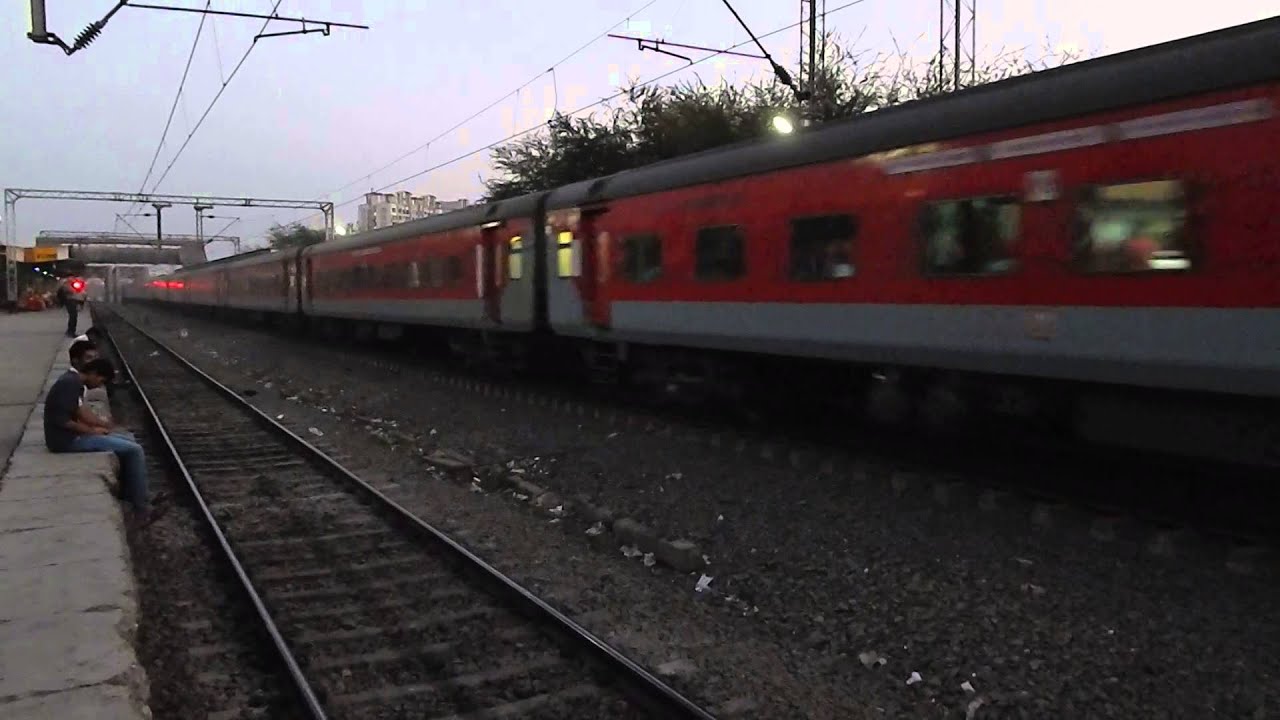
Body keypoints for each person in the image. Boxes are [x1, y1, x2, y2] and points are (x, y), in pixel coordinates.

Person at [43, 356, 166, 529]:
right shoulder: (69, 384)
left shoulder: (73, 382)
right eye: (101, 380)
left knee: (128, 438)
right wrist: (93, 431)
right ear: (93, 373)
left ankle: (135, 494)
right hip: (66, 441)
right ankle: (141, 511)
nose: (100, 385)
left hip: (71, 437)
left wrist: (106, 425)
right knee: (135, 450)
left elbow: (81, 412)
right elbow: (63, 421)